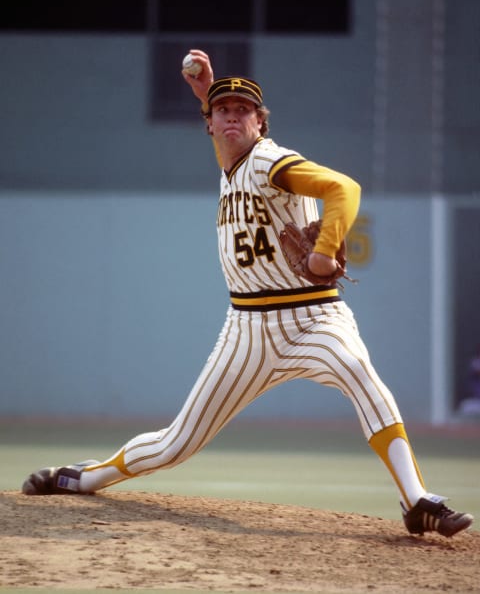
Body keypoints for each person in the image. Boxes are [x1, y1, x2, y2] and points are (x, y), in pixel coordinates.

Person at [22, 50, 473, 538]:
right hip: (247, 330)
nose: (232, 115)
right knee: (177, 444)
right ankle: (86, 477)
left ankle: (417, 499)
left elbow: (344, 187)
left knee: (359, 373)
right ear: (210, 125)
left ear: (261, 122)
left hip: (313, 317)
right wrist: (206, 94)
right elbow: (225, 140)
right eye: (223, 111)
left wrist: (324, 250)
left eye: (244, 110)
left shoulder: (267, 160)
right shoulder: (230, 163)